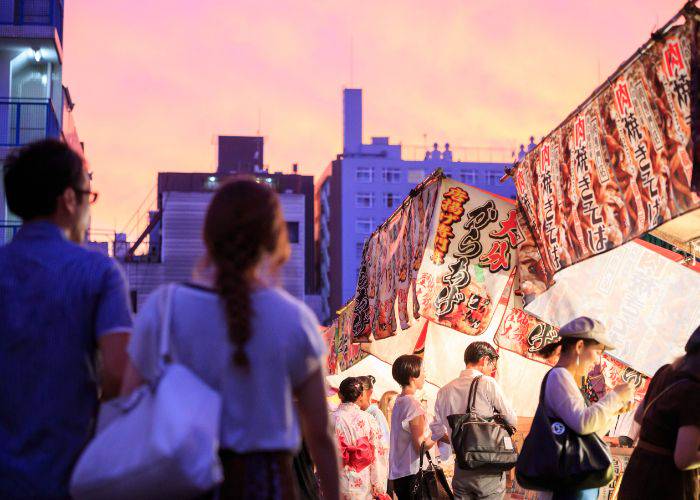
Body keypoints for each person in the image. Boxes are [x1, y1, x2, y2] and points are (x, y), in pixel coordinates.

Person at [121, 178, 339, 500]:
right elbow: (320, 435)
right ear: (277, 239)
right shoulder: (295, 319)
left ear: (208, 235)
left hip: (182, 482)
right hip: (267, 486)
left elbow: (130, 405)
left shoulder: (164, 309)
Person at [0, 140, 133, 498]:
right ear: (68, 199)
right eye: (88, 196)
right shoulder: (99, 272)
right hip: (71, 474)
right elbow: (120, 372)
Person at [536, 317, 633, 500]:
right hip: (563, 486)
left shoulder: (568, 379)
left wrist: (613, 411)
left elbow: (588, 434)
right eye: (597, 352)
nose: (598, 362)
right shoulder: (559, 376)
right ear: (579, 346)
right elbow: (583, 423)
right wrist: (615, 397)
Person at [618, 326, 700, 500]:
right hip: (663, 482)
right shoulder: (694, 390)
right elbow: (684, 459)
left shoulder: (666, 371)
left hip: (638, 472)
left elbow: (639, 416)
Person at [431, 342, 517, 499]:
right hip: (488, 469)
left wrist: (460, 440)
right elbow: (512, 419)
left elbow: (436, 431)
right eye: (492, 365)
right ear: (484, 360)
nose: (492, 370)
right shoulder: (487, 383)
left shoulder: (444, 391)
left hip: (462, 468)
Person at [331, 377, 389, 499]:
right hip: (363, 482)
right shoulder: (368, 420)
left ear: (339, 394)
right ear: (361, 395)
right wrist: (378, 486)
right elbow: (379, 453)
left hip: (335, 480)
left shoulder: (329, 420)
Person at [389, 354, 436, 499]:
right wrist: (438, 432)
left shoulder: (399, 401)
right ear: (412, 376)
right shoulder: (412, 404)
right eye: (423, 370)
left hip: (400, 474)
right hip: (413, 474)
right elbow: (420, 445)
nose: (425, 374)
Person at [357, 375, 391, 449]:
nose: (357, 395)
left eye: (360, 392)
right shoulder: (355, 412)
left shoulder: (375, 412)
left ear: (369, 392)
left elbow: (384, 440)